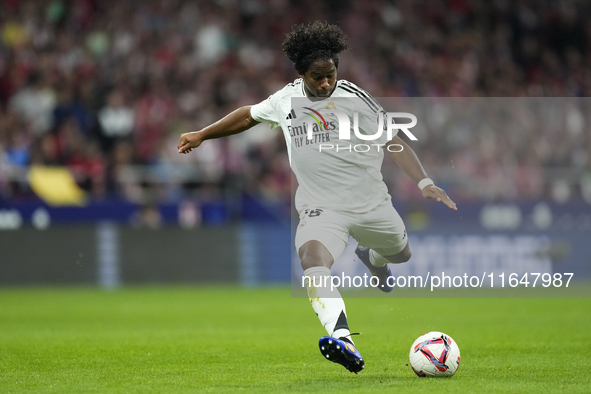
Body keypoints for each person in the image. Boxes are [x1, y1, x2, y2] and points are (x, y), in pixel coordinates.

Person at [178, 21, 457, 374]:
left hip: (371, 204)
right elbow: (248, 116)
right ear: (301, 73)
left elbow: (394, 140)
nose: (326, 82)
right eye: (317, 76)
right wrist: (203, 133)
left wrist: (424, 182)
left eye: (331, 74)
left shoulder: (354, 97)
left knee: (401, 254)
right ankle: (343, 339)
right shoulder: (285, 99)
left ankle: (373, 257)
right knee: (312, 258)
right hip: (322, 208)